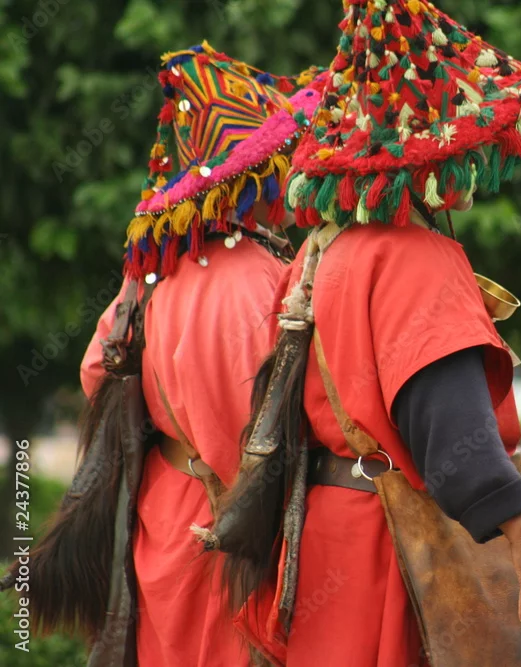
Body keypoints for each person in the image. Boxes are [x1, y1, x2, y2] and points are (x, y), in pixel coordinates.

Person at [214, 1, 521, 665]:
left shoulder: (318, 251)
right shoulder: (418, 257)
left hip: (325, 535)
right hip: (395, 547)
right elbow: (450, 430)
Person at [77, 44, 324, 666]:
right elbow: (251, 435)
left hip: (162, 513)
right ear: (259, 176)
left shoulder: (155, 272)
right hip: (227, 534)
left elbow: (95, 374)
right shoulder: (257, 279)